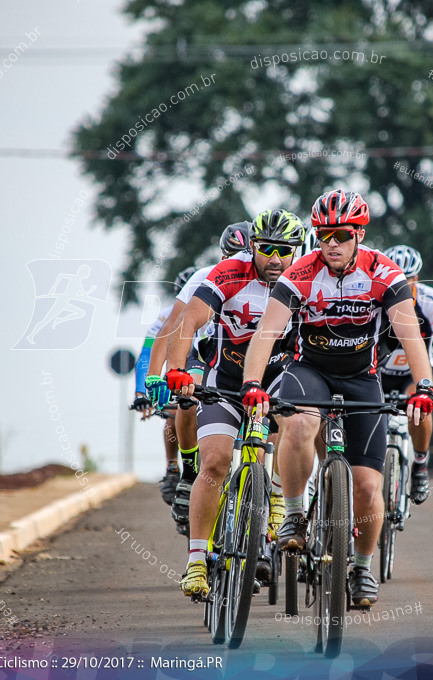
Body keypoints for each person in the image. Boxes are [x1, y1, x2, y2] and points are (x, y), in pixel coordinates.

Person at [240, 189, 433, 608]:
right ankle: (294, 513)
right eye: (324, 234)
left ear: (359, 235)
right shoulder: (299, 275)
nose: (332, 243)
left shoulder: (385, 274)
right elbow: (266, 333)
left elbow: (410, 335)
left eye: (342, 235)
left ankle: (362, 568)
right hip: (309, 370)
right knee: (297, 423)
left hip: (361, 377)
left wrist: (424, 387)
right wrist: (252, 384)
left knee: (368, 487)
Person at [164, 209, 306, 598]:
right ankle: (196, 562)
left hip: (276, 379)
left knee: (294, 423)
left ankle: (277, 494)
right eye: (266, 249)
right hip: (225, 379)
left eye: (284, 250)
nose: (274, 259)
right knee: (215, 462)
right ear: (253, 247)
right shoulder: (230, 272)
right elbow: (188, 322)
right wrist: (176, 368)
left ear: (297, 251)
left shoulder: (307, 278)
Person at [146, 224, 250, 533]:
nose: (237, 265)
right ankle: (190, 471)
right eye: (231, 257)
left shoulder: (268, 279)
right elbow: (173, 325)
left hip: (251, 359)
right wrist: (155, 375)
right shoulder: (204, 277)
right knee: (188, 398)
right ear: (221, 256)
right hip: (206, 354)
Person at [379, 245, 433, 504]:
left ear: (417, 279)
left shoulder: (431, 301)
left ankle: (420, 463)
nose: (402, 285)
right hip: (379, 371)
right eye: (396, 279)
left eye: (409, 279)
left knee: (418, 406)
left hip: (414, 374)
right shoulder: (375, 299)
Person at [132, 266, 195, 505]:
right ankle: (172, 468)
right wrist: (142, 391)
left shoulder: (215, 308)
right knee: (173, 411)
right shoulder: (167, 317)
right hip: (179, 368)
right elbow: (147, 353)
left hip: (202, 365)